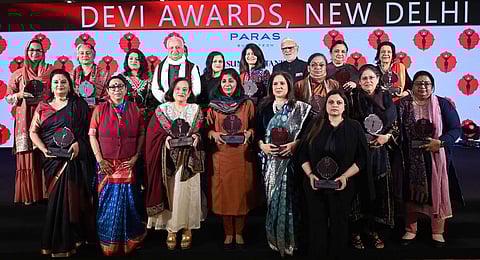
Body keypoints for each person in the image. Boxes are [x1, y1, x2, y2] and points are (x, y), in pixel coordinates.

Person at [29, 69, 96, 257]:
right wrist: (43, 149)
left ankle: (74, 236)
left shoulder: (79, 105)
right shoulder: (43, 106)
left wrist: (78, 145)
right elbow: (33, 131)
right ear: (50, 85)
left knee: (73, 198)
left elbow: (87, 133)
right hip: (52, 161)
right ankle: (55, 240)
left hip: (73, 160)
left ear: (70, 85)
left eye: (64, 82)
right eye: (56, 82)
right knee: (55, 199)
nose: (60, 86)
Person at [298, 89, 369, 259]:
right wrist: (310, 176)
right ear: (326, 105)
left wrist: (345, 176)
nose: (334, 105)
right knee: (317, 224)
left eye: (338, 102)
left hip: (342, 185)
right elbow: (302, 154)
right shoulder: (315, 124)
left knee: (339, 224)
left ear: (345, 106)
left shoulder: (354, 126)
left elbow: (362, 158)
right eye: (331, 102)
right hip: (314, 185)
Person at [396, 71, 463, 248]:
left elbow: (456, 129)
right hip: (410, 157)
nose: (423, 87)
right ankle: (410, 229)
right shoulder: (403, 104)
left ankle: (437, 231)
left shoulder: (443, 104)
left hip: (435, 156)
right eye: (419, 83)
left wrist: (440, 143)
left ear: (432, 86)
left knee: (436, 191)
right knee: (410, 192)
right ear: (412, 86)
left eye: (427, 84)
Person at [88, 75, 147, 255]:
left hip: (128, 165)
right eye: (112, 87)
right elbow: (92, 135)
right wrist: (99, 159)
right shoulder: (99, 110)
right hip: (106, 166)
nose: (116, 90)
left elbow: (141, 134)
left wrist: (136, 156)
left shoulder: (134, 109)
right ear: (107, 91)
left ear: (126, 89)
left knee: (130, 203)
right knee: (106, 203)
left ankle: (130, 239)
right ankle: (108, 241)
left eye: (120, 86)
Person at [145, 77, 206, 250]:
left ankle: (188, 227)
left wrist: (196, 137)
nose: (181, 91)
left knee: (188, 192)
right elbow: (153, 135)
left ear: (190, 91)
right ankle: (171, 229)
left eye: (185, 88)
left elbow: (200, 132)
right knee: (172, 193)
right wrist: (165, 139)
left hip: (189, 161)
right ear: (172, 90)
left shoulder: (195, 109)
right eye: (178, 88)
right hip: (168, 161)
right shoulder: (162, 110)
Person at [256, 71, 311, 256]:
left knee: (292, 202)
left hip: (292, 164)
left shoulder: (300, 108)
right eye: (275, 84)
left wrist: (296, 144)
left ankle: (292, 241)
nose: (279, 87)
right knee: (272, 201)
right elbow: (256, 133)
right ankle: (274, 239)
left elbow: (309, 134)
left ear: (289, 86)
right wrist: (262, 145)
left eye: (282, 83)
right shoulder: (264, 108)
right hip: (269, 163)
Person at [207, 68, 262, 248]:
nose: (228, 85)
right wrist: (212, 133)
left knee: (241, 194)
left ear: (237, 84)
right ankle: (227, 232)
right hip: (221, 156)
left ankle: (238, 232)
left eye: (231, 81)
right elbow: (205, 130)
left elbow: (256, 127)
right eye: (224, 82)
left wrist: (250, 133)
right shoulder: (213, 106)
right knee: (223, 195)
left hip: (241, 156)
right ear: (220, 85)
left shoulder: (246, 104)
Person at [349, 64, 397, 249]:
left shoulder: (387, 98)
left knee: (378, 192)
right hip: (359, 153)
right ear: (359, 82)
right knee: (359, 194)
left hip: (381, 152)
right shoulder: (352, 98)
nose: (368, 81)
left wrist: (387, 137)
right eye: (364, 78)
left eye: (371, 78)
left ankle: (374, 231)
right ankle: (356, 232)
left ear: (378, 80)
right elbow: (347, 122)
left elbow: (395, 124)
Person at [7, 39, 52, 205]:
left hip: (45, 116)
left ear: (43, 52)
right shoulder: (18, 73)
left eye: (38, 50)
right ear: (27, 52)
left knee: (46, 152)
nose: (35, 53)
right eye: (32, 50)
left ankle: (47, 192)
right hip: (24, 117)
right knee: (28, 155)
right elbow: (7, 98)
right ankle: (29, 195)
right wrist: (19, 95)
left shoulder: (49, 71)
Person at [151, 32, 201, 105]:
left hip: (187, 105)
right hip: (166, 105)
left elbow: (197, 89)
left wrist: (183, 99)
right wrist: (165, 99)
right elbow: (155, 88)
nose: (174, 50)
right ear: (167, 49)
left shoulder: (192, 67)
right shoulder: (160, 67)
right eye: (171, 47)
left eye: (178, 47)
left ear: (183, 49)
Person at [118, 48, 152, 119]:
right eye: (131, 59)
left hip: (145, 116)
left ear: (141, 61)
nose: (134, 61)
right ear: (127, 61)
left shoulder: (150, 78)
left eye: (137, 59)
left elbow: (153, 99)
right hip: (125, 116)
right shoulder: (121, 78)